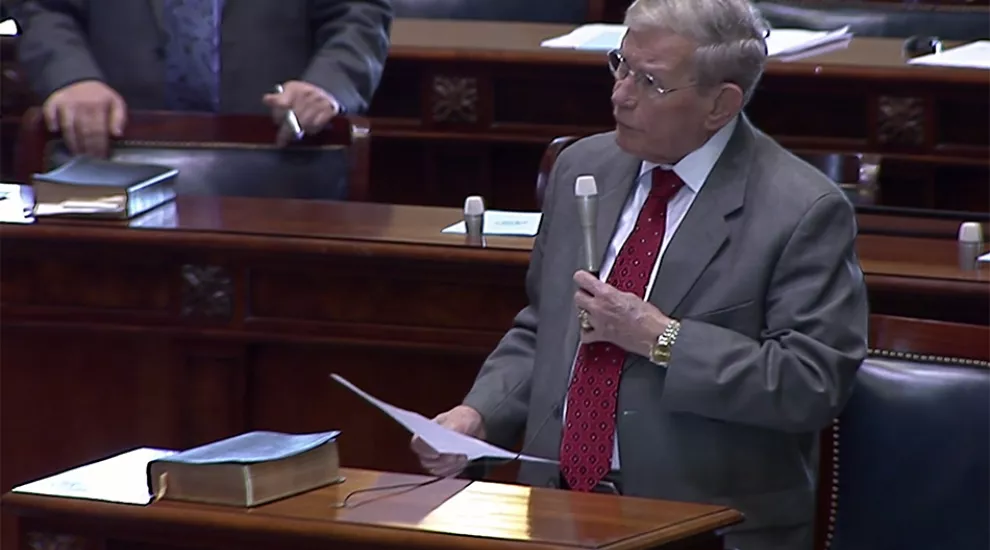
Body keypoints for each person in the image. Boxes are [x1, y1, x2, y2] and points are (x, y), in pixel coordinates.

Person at [410, 1, 869, 549]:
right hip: (553, 510)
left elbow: (809, 385)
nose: (620, 94)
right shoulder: (582, 166)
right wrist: (477, 416)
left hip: (705, 525)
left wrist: (663, 339)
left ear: (720, 105)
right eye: (620, 65)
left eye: (650, 81)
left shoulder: (801, 209)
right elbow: (546, 327)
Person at [11, 0, 391, 158]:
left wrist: (325, 86)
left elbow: (358, 14)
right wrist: (72, 78)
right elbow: (42, 7)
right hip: (111, 148)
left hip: (277, 154)